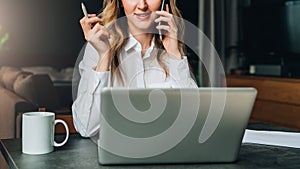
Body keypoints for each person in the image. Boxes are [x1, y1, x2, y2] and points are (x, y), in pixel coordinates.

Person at [72, 0, 198, 137]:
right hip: (116, 156)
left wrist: (174, 54)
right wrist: (104, 56)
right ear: (119, 2)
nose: (142, 5)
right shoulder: (99, 46)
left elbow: (194, 119)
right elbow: (86, 128)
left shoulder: (172, 47)